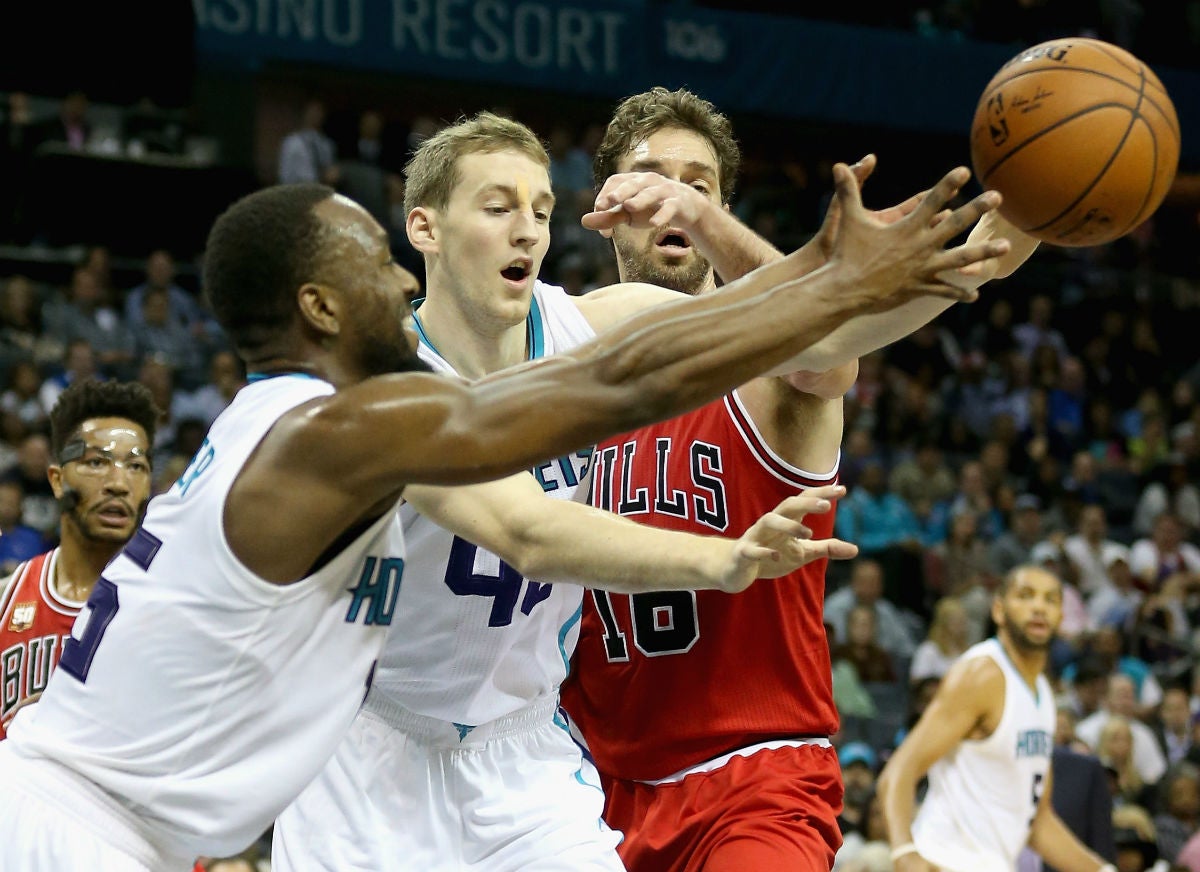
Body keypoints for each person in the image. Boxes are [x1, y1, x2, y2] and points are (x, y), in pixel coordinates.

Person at [0, 145, 1008, 867]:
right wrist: (832, 298)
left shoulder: (315, 418)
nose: (395, 273)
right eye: (371, 257)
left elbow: (725, 341)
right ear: (318, 306)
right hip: (80, 830)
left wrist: (849, 281)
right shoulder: (330, 428)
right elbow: (590, 427)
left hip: (481, 758)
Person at [273, 110, 1013, 872]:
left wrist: (963, 249)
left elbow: (812, 341)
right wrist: (718, 558)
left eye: (540, 211)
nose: (526, 230)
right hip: (372, 741)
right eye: (498, 208)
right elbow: (527, 533)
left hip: (523, 752)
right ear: (423, 228)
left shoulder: (595, 327)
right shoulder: (380, 386)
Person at [560, 86, 1038, 872]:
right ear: (607, 200)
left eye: (699, 183)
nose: (674, 194)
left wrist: (701, 217)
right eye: (651, 174)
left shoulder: (766, 367)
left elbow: (821, 349)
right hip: (582, 781)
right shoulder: (565, 354)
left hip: (754, 779)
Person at [877, 566, 1116, 872]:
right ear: (999, 610)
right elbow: (899, 771)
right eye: (1025, 596)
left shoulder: (1042, 691)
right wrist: (905, 853)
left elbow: (1038, 822)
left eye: (1050, 600)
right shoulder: (982, 674)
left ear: (1061, 616)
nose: (1039, 607)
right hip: (947, 859)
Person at [0, 378, 158, 737]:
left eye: (136, 467)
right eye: (97, 462)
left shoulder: (170, 605)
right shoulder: (6, 599)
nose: (119, 483)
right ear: (57, 480)